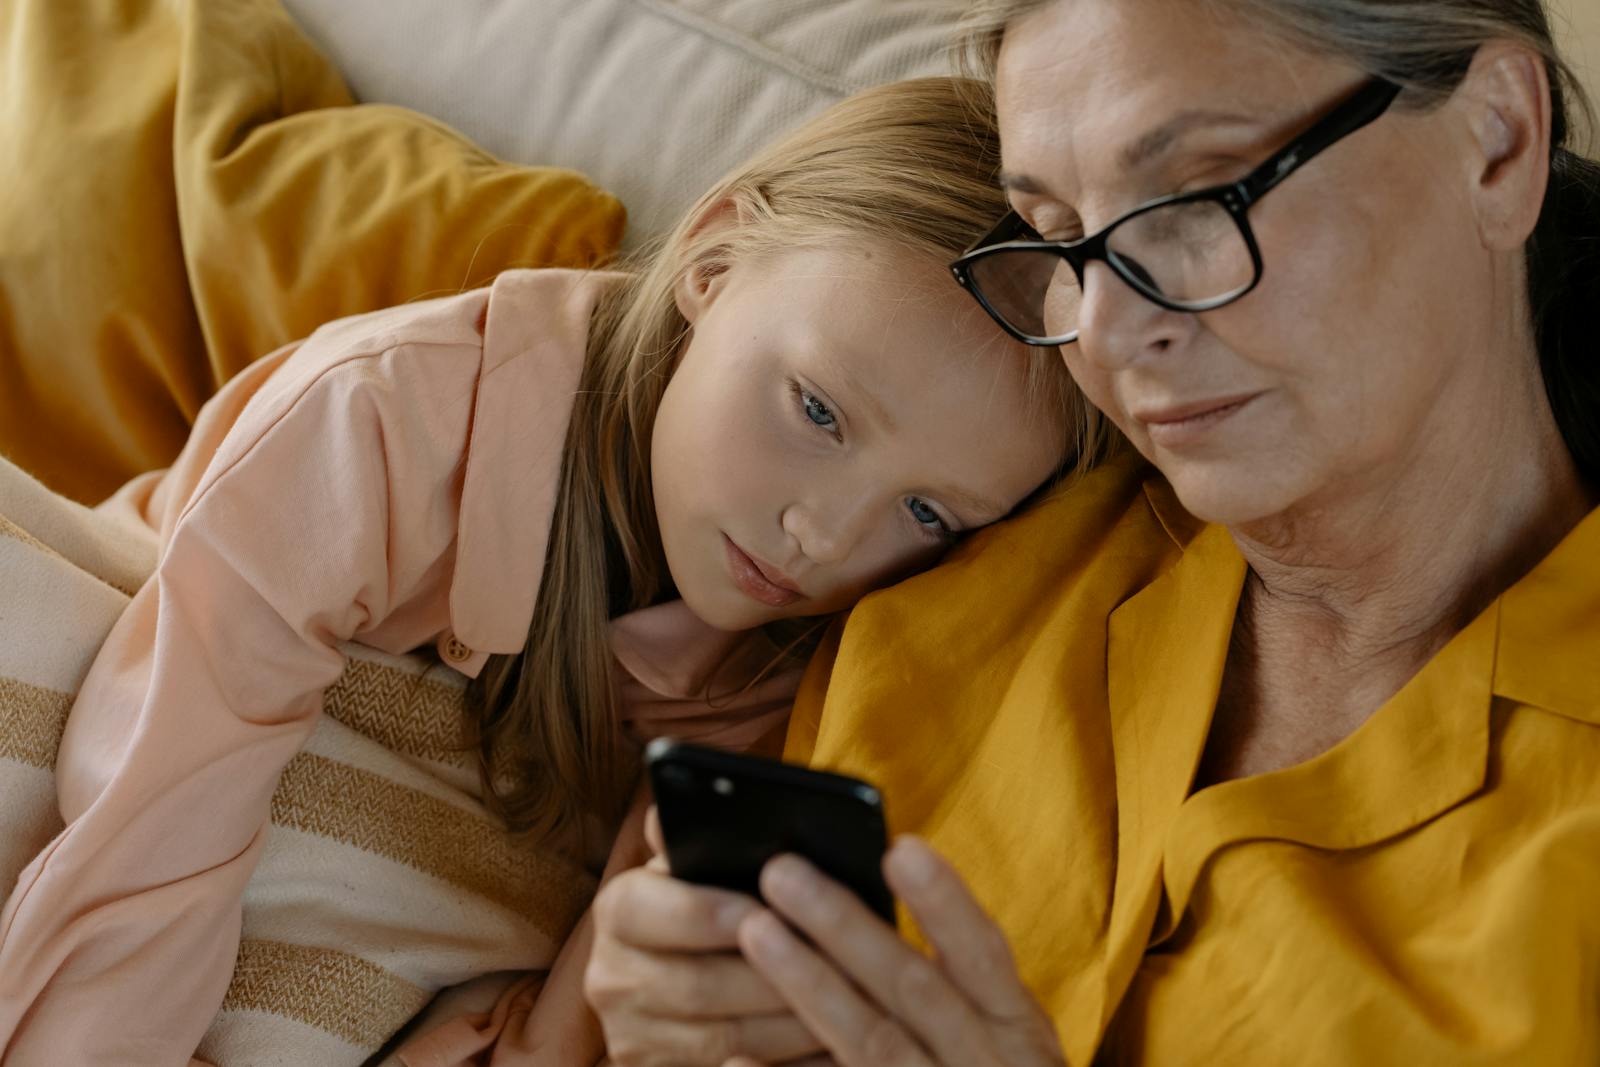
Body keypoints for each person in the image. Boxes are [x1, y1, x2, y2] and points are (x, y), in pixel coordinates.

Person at [0, 77, 1102, 1066]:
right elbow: (153, 813)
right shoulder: (389, 414)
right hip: (155, 716)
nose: (824, 534)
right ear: (713, 262)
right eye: (816, 409)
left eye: (927, 509)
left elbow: (568, 1021)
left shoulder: (824, 658)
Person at [582, 1, 1600, 1064]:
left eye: (1197, 200)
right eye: (1061, 240)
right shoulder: (949, 581)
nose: (1108, 330)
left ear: (1497, 142)